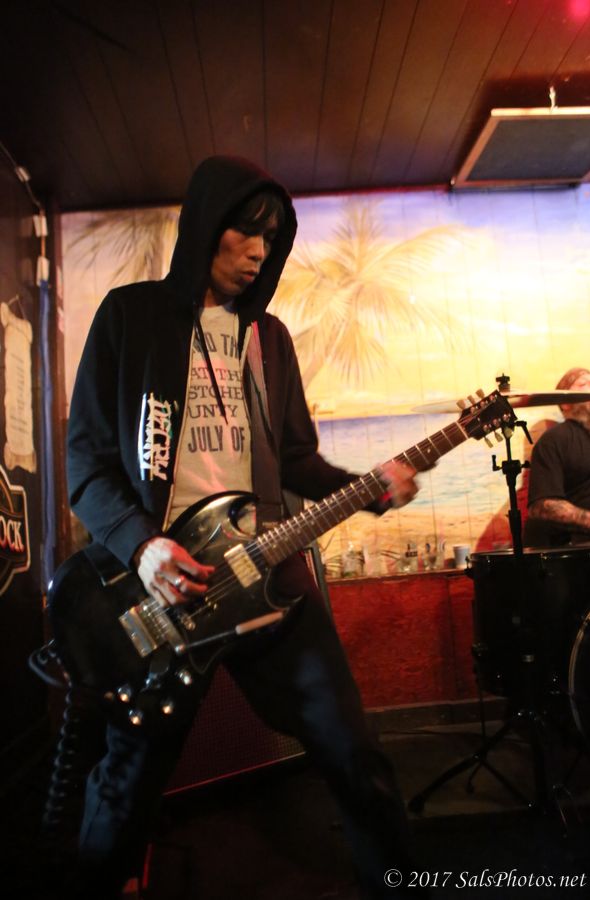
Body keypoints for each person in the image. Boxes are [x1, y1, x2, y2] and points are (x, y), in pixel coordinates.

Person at [63, 155, 422, 899]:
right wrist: (142, 546)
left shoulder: (270, 339)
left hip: (267, 576)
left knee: (356, 753)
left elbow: (296, 460)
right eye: (245, 231)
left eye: (272, 238)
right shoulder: (130, 317)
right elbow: (86, 466)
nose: (259, 251)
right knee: (126, 784)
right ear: (205, 225)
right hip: (163, 589)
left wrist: (371, 489)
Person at [525, 367, 590, 547]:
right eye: (583, 384)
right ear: (565, 402)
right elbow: (543, 506)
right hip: (582, 547)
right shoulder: (554, 440)